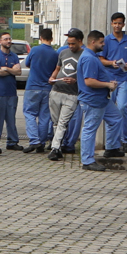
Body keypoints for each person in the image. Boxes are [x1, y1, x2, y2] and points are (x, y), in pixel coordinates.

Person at [76, 28, 119, 170]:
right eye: (101, 42)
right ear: (92, 42)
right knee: (90, 129)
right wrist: (108, 84)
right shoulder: (89, 58)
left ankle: (112, 147)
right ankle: (87, 161)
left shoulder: (92, 56)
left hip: (102, 99)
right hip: (93, 100)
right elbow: (89, 81)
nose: (104, 45)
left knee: (116, 118)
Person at [45, 29, 85, 161]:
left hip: (72, 94)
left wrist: (75, 81)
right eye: (69, 43)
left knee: (63, 122)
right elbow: (57, 69)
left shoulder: (85, 55)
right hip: (56, 90)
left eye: (73, 43)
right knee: (56, 122)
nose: (71, 46)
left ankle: (55, 148)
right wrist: (52, 78)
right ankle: (57, 146)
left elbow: (87, 77)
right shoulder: (62, 52)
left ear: (80, 41)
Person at [22, 28, 60, 153]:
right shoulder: (55, 54)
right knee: (45, 117)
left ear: (40, 38)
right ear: (52, 38)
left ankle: (34, 141)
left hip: (33, 86)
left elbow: (27, 64)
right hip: (48, 88)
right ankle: (42, 142)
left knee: (30, 113)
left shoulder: (35, 50)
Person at [103, 13, 127, 122]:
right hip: (109, 79)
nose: (117, 25)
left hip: (124, 78)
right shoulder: (106, 40)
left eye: (119, 23)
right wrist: (111, 63)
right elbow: (100, 59)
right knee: (109, 107)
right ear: (111, 24)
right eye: (115, 23)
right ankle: (112, 135)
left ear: (123, 24)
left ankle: (124, 136)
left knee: (122, 107)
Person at [0, 32, 23, 149]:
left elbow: (19, 72)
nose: (8, 41)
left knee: (11, 120)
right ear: (0, 42)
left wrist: (6, 69)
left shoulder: (14, 56)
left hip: (12, 93)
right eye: (5, 39)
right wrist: (11, 70)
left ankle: (12, 142)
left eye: (9, 39)